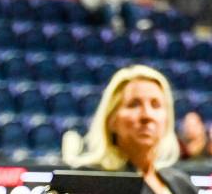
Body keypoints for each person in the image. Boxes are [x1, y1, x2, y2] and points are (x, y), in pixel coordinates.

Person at [72, 65, 195, 193]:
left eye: (155, 105)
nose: (147, 115)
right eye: (134, 104)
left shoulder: (183, 185)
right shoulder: (88, 181)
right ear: (111, 120)